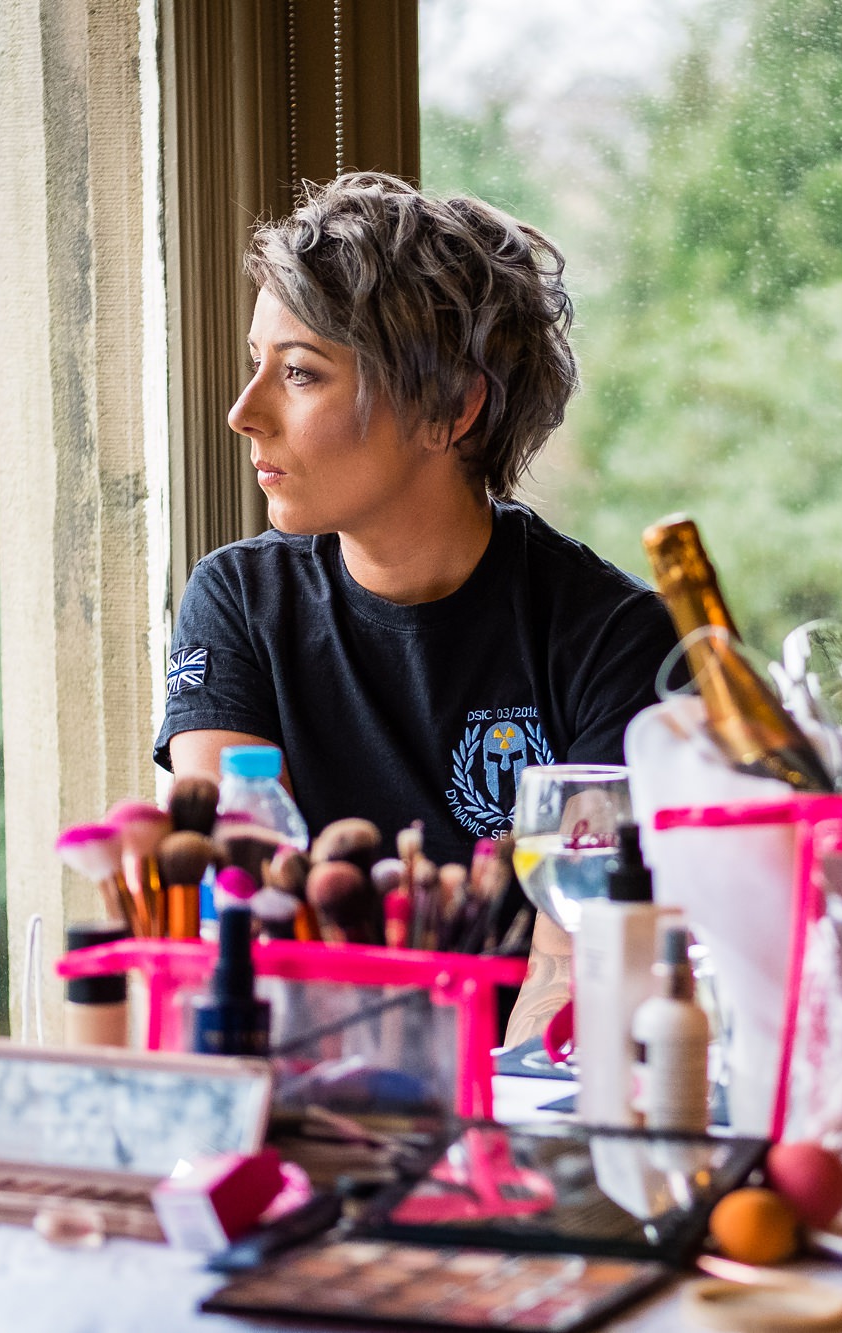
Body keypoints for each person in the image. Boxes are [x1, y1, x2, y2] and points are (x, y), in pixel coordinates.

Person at [154, 174, 678, 1027]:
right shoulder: (238, 604)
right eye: (257, 365)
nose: (242, 412)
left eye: (299, 372)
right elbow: (244, 926)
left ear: (452, 407)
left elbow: (567, 983)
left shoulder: (616, 642)